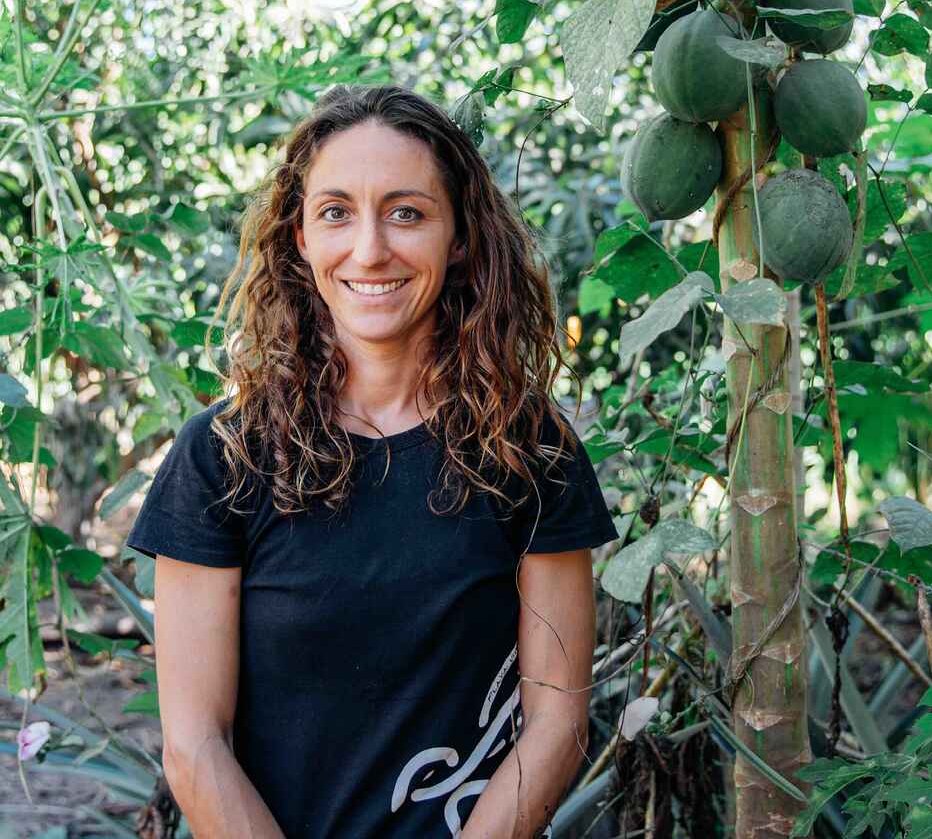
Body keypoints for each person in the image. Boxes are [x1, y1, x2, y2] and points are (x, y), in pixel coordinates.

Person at [125, 84, 619, 839]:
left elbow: (557, 721)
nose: (369, 249)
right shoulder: (221, 458)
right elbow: (196, 746)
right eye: (335, 213)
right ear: (299, 237)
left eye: (406, 212)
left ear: (460, 237)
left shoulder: (531, 451)